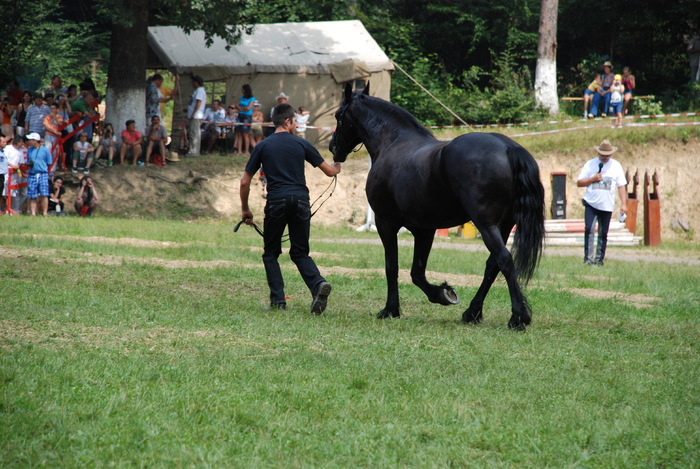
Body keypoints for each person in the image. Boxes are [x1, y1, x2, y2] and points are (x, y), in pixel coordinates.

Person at [240, 103, 342, 313]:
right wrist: (338, 164)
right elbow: (330, 172)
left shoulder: (262, 146)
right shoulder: (301, 144)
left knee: (271, 253)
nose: (296, 124)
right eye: (295, 121)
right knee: (300, 252)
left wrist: (245, 210)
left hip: (276, 201)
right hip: (301, 201)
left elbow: (244, 182)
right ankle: (317, 285)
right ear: (287, 122)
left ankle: (278, 303)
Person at [577, 139, 628, 266]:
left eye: (607, 155)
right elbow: (579, 182)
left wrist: (623, 204)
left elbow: (622, 186)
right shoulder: (590, 164)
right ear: (598, 153)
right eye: (602, 154)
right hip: (591, 203)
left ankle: (599, 259)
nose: (604, 157)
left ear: (611, 154)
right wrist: (592, 179)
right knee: (589, 229)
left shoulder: (616, 166)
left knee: (603, 233)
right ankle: (588, 259)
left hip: (607, 205)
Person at [25, 132, 52, 216]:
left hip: (42, 173)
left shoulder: (45, 150)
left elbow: (49, 163)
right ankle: (33, 212)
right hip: (32, 173)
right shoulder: (29, 150)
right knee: (32, 194)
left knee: (44, 194)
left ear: (35, 141)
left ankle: (45, 212)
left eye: (31, 140)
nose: (29, 141)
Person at [4, 135, 27, 213]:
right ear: (18, 142)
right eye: (21, 142)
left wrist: (18, 166)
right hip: (6, 173)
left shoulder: (20, 151)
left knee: (14, 192)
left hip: (15, 174)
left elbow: (21, 162)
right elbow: (4, 160)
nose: (22, 144)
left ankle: (14, 209)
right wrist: (12, 165)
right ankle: (6, 209)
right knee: (6, 192)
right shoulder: (7, 149)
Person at [185, 75, 206, 157]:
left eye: (193, 82)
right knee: (193, 133)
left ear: (196, 82)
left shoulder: (200, 91)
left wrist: (193, 113)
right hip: (195, 114)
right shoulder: (197, 90)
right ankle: (193, 150)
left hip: (196, 115)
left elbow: (199, 103)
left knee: (194, 133)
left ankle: (194, 151)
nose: (192, 84)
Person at [235, 84, 256, 155]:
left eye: (243, 89)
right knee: (239, 133)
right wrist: (242, 109)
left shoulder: (252, 99)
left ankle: (247, 151)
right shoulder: (241, 97)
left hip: (247, 116)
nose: (242, 90)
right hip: (240, 116)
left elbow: (248, 108)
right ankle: (239, 150)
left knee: (245, 134)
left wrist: (240, 108)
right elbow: (236, 105)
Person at [0, 132, 8, 211]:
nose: (5, 143)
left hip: (2, 175)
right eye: (3, 142)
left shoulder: (3, 152)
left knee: (0, 192)